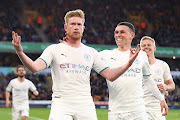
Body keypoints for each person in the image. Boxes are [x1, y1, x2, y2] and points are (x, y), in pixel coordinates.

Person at [11, 9, 140, 120]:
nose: (76, 27)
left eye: (79, 24)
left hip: (85, 102)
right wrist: (20, 52)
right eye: (73, 24)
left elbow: (110, 75)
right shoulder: (54, 49)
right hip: (61, 102)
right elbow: (34, 67)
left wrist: (129, 63)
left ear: (83, 28)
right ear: (66, 27)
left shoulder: (91, 52)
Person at [99, 22, 168, 120]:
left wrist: (161, 99)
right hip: (116, 112)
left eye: (122, 32)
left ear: (132, 35)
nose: (118, 35)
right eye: (116, 32)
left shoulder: (141, 55)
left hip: (138, 111)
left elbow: (147, 79)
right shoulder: (105, 55)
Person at [140, 36, 175, 120]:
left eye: (149, 45)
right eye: (144, 45)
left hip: (158, 109)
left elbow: (172, 85)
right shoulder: (136, 66)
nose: (146, 47)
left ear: (154, 48)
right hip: (140, 109)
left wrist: (166, 87)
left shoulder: (162, 65)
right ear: (140, 48)